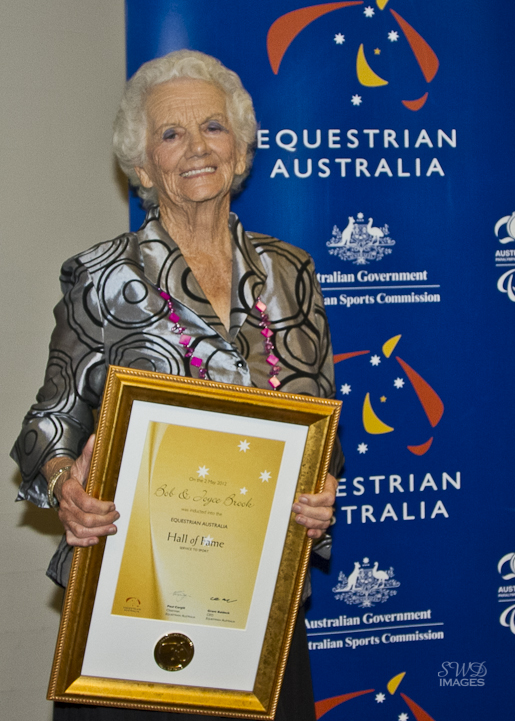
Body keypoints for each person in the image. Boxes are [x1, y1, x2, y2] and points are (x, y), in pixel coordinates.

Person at [10, 50, 343, 721]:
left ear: (241, 148)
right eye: (170, 133)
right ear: (142, 165)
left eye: (213, 127)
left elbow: (318, 433)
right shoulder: (102, 277)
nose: (196, 147)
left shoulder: (292, 273)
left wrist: (318, 493)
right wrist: (67, 484)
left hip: (258, 606)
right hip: (131, 608)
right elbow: (43, 428)